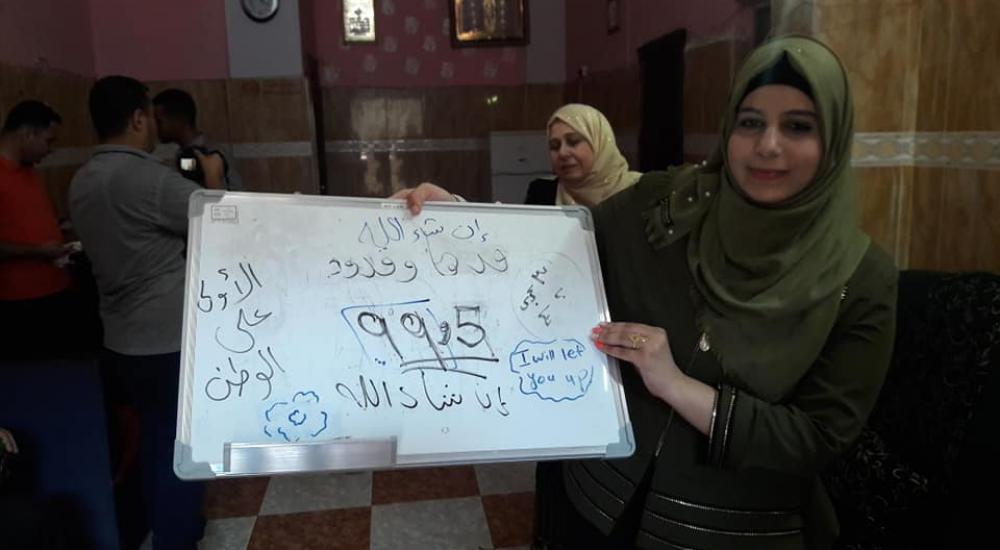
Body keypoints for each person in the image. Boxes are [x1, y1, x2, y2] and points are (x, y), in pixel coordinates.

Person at [393, 35, 898, 549]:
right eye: (750, 123)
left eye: (798, 126)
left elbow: (817, 436)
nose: (768, 144)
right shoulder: (663, 207)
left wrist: (675, 384)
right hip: (597, 502)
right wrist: (455, 220)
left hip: (730, 528)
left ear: (833, 138)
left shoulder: (861, 278)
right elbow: (558, 251)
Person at [69, 75, 225, 550]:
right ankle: (176, 537)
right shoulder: (149, 180)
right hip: (167, 341)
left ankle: (167, 526)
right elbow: (220, 223)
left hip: (120, 341)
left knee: (155, 439)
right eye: (151, 116)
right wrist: (213, 177)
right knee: (184, 446)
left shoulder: (82, 180)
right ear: (138, 118)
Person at [0, 100, 88, 358]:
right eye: (48, 141)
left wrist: (61, 228)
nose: (51, 150)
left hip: (56, 288)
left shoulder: (28, 171)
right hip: (20, 302)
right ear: (28, 133)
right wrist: (38, 251)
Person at [525, 103, 641, 207]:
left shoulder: (639, 190)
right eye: (554, 146)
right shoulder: (541, 193)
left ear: (599, 144)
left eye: (573, 142)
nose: (562, 153)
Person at [152, 88, 243, 190]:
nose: (155, 127)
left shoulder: (211, 154)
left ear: (179, 119)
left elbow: (221, 195)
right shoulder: (185, 153)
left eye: (159, 121)